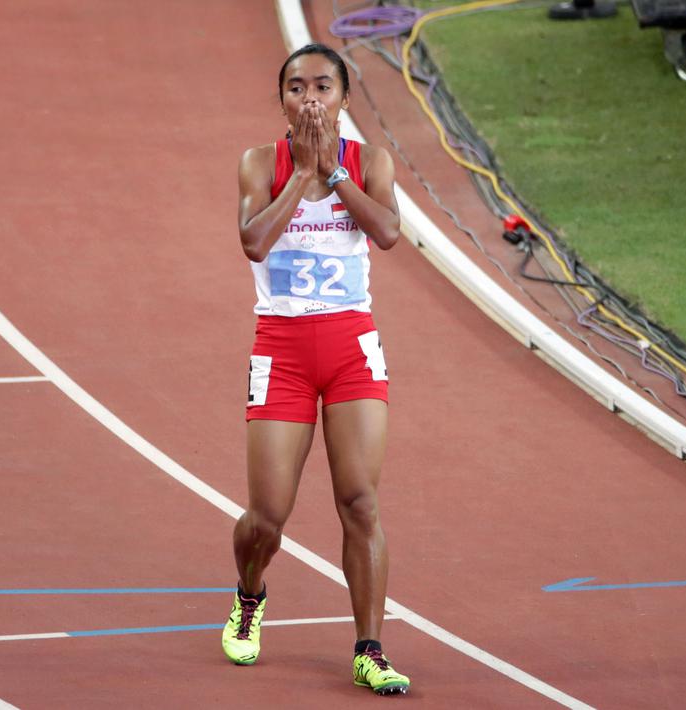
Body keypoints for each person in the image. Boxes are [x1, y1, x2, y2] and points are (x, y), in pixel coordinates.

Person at [220, 43, 409, 696]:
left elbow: (386, 232)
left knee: (359, 502)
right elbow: (252, 240)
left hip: (351, 348)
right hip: (283, 350)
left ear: (343, 99)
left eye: (322, 86)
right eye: (295, 87)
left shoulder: (370, 161)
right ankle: (249, 594)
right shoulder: (258, 164)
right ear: (281, 101)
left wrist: (333, 177)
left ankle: (369, 648)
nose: (309, 98)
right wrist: (302, 175)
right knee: (267, 517)